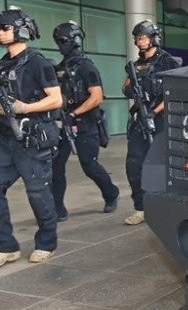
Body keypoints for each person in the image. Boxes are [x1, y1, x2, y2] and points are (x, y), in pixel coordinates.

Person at [0, 6, 63, 269]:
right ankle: (4, 246)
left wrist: (24, 107)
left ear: (22, 30)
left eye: (5, 28)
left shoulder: (38, 62)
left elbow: (56, 99)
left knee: (38, 193)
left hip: (32, 137)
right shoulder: (2, 64)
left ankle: (46, 243)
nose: (0, 33)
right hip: (4, 139)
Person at [51, 21, 119, 221]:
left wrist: (74, 113)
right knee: (56, 165)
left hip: (86, 123)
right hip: (65, 123)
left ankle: (111, 193)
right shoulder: (60, 68)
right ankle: (58, 210)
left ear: (75, 40)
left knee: (89, 165)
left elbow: (97, 97)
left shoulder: (86, 66)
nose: (60, 44)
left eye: (63, 40)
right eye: (58, 41)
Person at [122, 19, 180, 225]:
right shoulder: (135, 65)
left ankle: (163, 206)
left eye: (144, 37)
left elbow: (173, 92)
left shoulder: (168, 62)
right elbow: (127, 86)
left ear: (154, 38)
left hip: (161, 119)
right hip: (141, 119)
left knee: (160, 164)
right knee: (134, 164)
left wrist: (154, 112)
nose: (140, 41)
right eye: (138, 38)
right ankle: (140, 207)